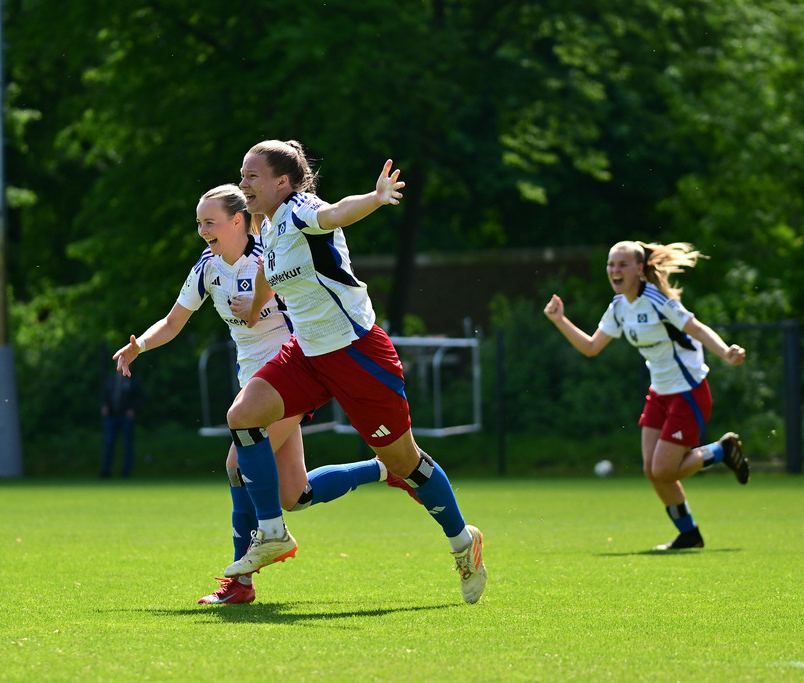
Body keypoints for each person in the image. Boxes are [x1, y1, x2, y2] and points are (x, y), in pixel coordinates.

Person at [114, 183, 420, 605]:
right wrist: (140, 346)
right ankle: (385, 470)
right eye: (199, 222)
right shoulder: (208, 265)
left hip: (295, 377)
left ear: (237, 221)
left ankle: (240, 584)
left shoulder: (271, 256)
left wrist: (260, 303)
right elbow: (173, 320)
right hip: (255, 385)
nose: (202, 230)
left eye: (210, 222)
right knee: (294, 494)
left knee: (238, 463)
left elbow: (311, 301)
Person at [223, 140, 487, 604]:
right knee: (243, 415)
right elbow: (271, 267)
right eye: (242, 176)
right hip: (306, 353)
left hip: (357, 354)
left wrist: (375, 198)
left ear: (282, 183)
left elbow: (337, 213)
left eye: (252, 176)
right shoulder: (267, 226)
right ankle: (272, 532)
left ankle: (463, 541)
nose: (243, 185)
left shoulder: (301, 206)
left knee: (405, 463)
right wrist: (258, 302)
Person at [543, 240, 750, 551]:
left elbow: (696, 327)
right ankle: (689, 534)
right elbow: (590, 347)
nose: (615, 270)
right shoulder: (618, 307)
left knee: (664, 470)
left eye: (623, 264)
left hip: (688, 391)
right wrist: (560, 320)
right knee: (652, 472)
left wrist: (725, 352)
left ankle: (721, 451)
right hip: (660, 393)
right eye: (611, 264)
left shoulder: (656, 300)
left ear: (640, 270)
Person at [100, 368, 146, 478]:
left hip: (126, 417)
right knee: (108, 442)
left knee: (127, 444)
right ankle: (106, 471)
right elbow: (105, 395)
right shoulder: (111, 380)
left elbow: (143, 397)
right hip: (111, 416)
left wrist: (134, 409)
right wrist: (105, 406)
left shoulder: (133, 381)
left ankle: (126, 471)